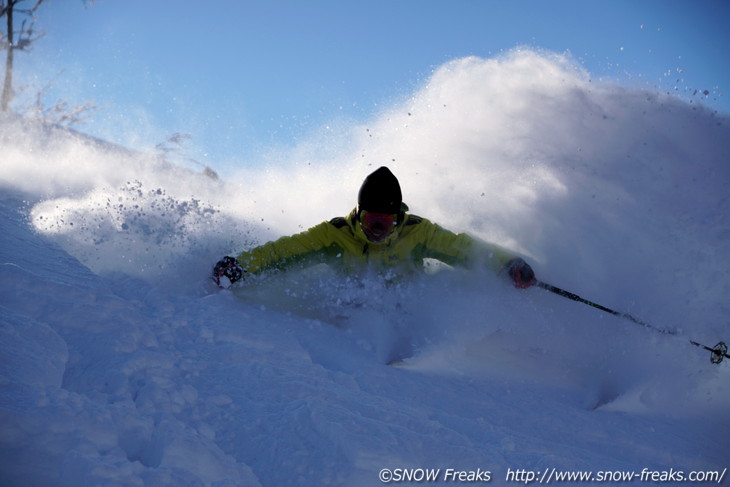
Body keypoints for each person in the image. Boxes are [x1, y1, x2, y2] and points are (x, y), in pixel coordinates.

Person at [213, 166, 536, 290]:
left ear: (399, 216)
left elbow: (464, 248)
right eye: (372, 220)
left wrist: (510, 264)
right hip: (352, 308)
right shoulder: (335, 234)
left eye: (388, 220)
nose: (380, 229)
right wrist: (241, 264)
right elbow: (285, 250)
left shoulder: (418, 232)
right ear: (359, 214)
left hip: (408, 307)